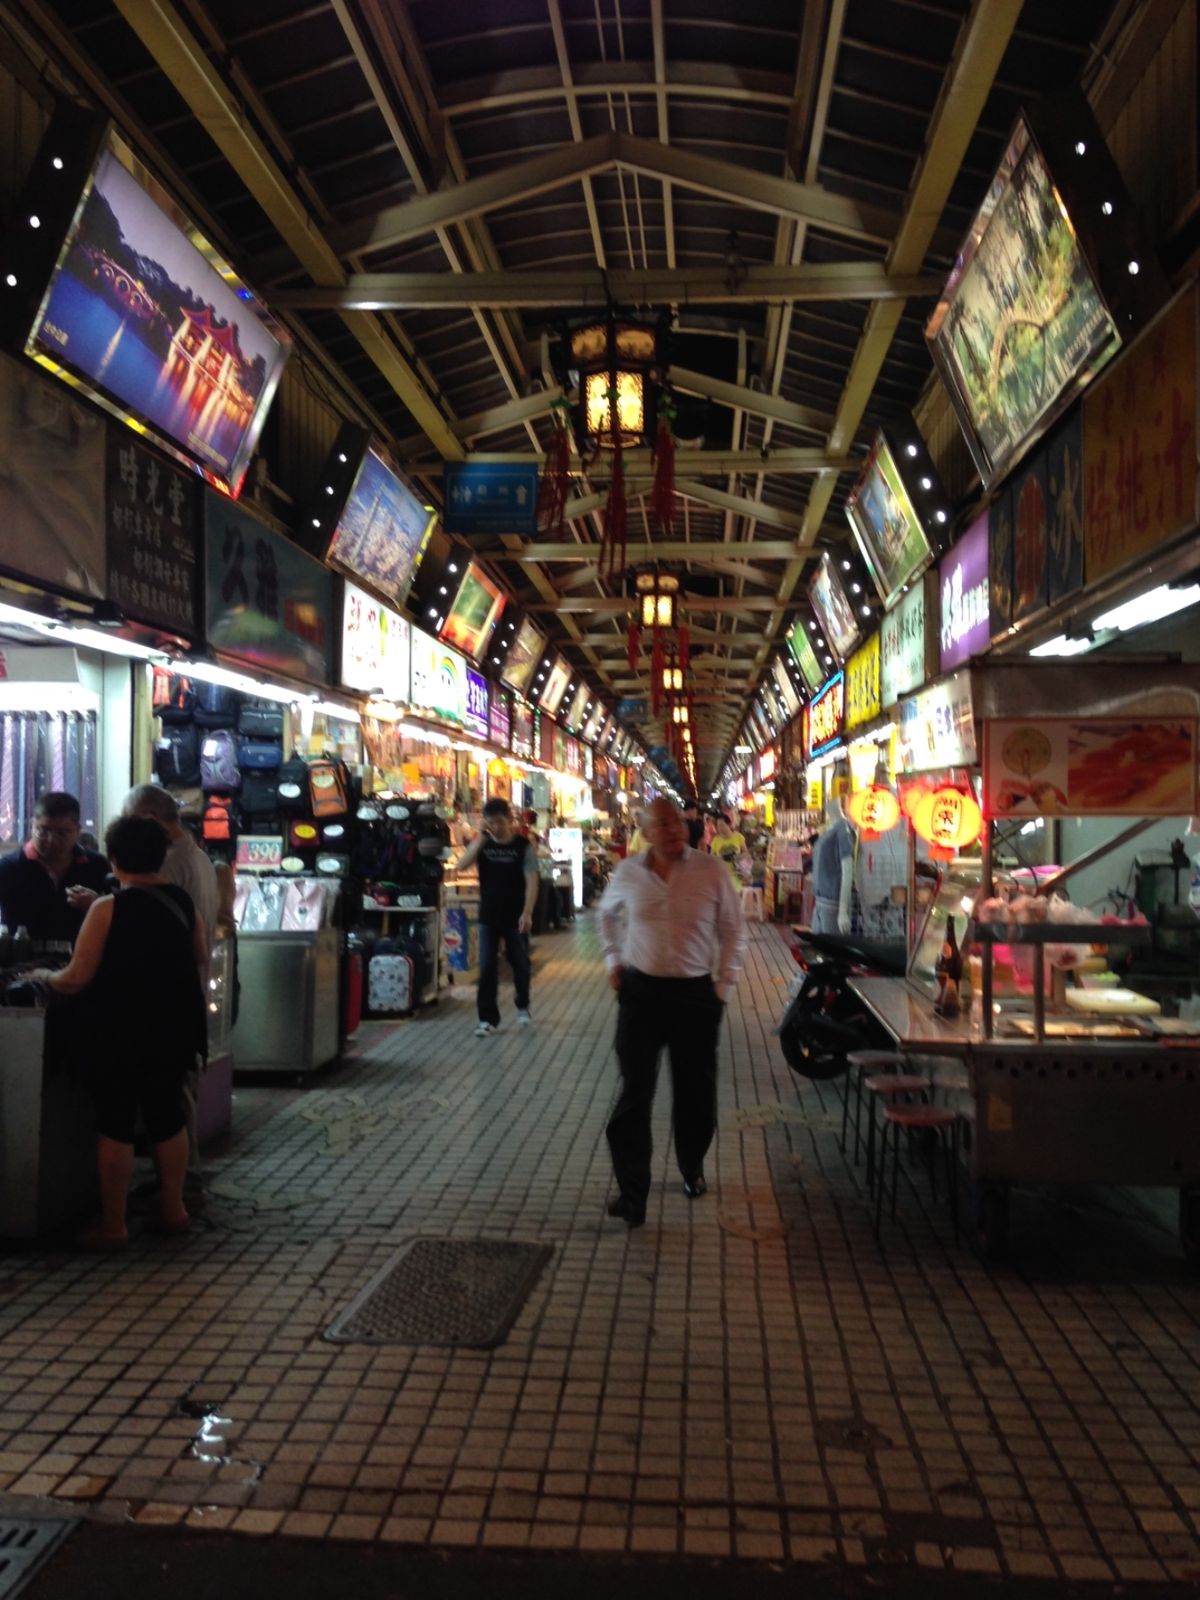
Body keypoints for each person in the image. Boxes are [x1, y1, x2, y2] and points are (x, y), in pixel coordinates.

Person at [33, 815, 208, 1250]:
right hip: (173, 1029)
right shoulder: (181, 903)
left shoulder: (107, 908)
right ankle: (174, 1210)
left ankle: (113, 1226)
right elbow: (201, 956)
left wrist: (42, 978)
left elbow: (77, 976)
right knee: (167, 1117)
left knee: (116, 1122)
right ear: (161, 855)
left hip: (121, 1033)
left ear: (113, 858)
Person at [598, 798, 746, 1227]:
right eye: (663, 823)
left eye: (678, 821)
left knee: (695, 1090)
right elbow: (605, 916)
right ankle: (632, 1195)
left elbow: (734, 930)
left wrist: (723, 986)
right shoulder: (628, 872)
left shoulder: (711, 870)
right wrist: (613, 961)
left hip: (695, 996)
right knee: (634, 1093)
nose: (675, 829)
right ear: (644, 830)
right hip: (641, 993)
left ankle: (692, 1165)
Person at [455, 798, 540, 1036]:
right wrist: (481, 839)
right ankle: (487, 1018)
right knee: (487, 967)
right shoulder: (482, 844)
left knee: (520, 963)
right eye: (490, 822)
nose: (495, 827)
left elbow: (532, 881)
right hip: (488, 915)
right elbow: (461, 865)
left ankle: (522, 1004)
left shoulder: (523, 846)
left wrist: (528, 912)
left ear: (510, 820)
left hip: (516, 915)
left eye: (499, 822)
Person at [0, 791, 110, 947]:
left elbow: (119, 920)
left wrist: (96, 905)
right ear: (32, 825)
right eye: (43, 830)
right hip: (22, 962)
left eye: (62, 833)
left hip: (82, 962)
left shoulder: (97, 866)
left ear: (77, 830)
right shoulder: (10, 867)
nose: (51, 840)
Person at [122, 785, 219, 950]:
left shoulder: (167, 863)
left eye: (128, 821)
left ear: (149, 818)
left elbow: (140, 928)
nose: (126, 831)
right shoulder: (198, 856)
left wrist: (99, 910)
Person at [710, 812, 747, 881]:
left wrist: (737, 858)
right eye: (718, 826)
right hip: (721, 875)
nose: (720, 828)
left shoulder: (739, 837)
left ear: (729, 825)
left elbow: (745, 854)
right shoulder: (715, 840)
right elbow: (711, 858)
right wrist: (720, 858)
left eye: (722, 825)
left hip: (736, 874)